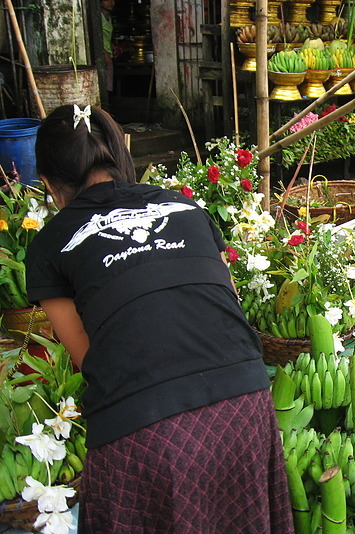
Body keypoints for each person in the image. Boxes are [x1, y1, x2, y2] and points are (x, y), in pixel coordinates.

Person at [26, 105, 294, 533]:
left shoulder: (49, 246)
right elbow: (225, 303)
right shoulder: (185, 208)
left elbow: (87, 358)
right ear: (120, 154)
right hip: (245, 405)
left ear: (48, 185)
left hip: (144, 431)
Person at [101, 0, 115, 92]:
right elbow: (96, 36)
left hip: (107, 50)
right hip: (102, 52)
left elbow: (105, 34)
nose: (111, 2)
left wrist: (111, 44)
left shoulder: (108, 16)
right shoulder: (98, 17)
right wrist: (104, 53)